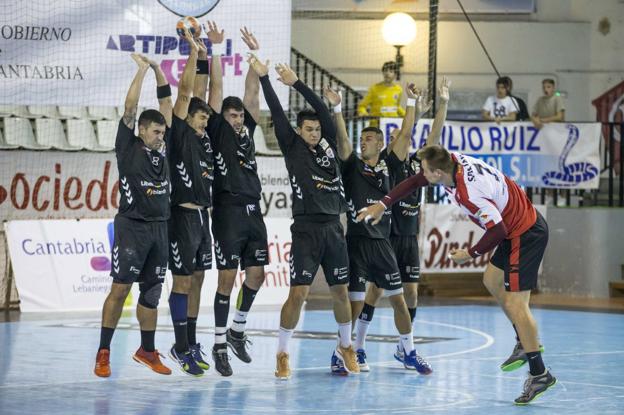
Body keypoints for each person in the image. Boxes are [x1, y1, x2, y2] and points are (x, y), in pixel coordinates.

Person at [357, 146, 556, 405]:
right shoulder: (452, 162)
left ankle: (539, 372)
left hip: (524, 233)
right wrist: (383, 204)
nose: (421, 174)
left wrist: (470, 253)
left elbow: (497, 231)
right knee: (492, 280)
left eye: (426, 171)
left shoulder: (469, 192)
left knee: (516, 304)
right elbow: (417, 180)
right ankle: (523, 340)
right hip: (515, 226)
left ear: (438, 173)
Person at [248, 55, 359, 379]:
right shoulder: (292, 145)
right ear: (299, 131)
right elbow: (279, 114)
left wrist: (298, 82)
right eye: (308, 129)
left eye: (316, 129)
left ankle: (346, 346)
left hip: (333, 228)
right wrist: (267, 79)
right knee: (299, 293)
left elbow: (324, 112)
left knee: (341, 292)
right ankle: (282, 353)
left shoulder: (327, 147)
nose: (314, 132)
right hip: (306, 231)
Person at [336, 83, 432, 373]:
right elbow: (342, 139)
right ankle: (344, 351)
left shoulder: (391, 164)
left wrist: (412, 102)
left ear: (380, 144)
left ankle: (410, 352)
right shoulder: (352, 165)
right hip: (356, 242)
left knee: (399, 301)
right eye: (362, 138)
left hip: (382, 243)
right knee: (354, 305)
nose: (363, 142)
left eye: (368, 139)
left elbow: (405, 134)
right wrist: (338, 108)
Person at [94, 53, 172, 378]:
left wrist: (159, 70)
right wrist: (142, 72)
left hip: (159, 229)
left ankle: (147, 350)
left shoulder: (162, 149)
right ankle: (103, 351)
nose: (160, 136)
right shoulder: (128, 146)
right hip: (132, 228)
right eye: (155, 131)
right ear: (141, 130)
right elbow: (130, 109)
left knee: (152, 293)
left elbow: (166, 108)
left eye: (162, 132)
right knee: (120, 289)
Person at [206, 27, 267, 376]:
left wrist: (253, 59)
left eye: (240, 115)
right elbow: (217, 90)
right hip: (227, 210)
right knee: (226, 279)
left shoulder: (248, 132)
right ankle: (218, 345)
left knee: (256, 276)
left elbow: (252, 91)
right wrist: (216, 50)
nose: (238, 119)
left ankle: (237, 331)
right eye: (233, 115)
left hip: (253, 210)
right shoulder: (218, 132)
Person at [165, 23, 222, 377]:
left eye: (204, 117)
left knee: (200, 279)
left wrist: (208, 53)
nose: (203, 119)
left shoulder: (204, 137)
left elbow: (206, 92)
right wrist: (192, 53)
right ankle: (180, 344)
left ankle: (190, 340)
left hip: (204, 218)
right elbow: (188, 91)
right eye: (199, 116)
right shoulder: (180, 133)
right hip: (182, 217)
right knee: (183, 281)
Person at [380, 77, 450, 364]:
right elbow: (406, 136)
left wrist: (443, 104)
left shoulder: (416, 166)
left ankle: (403, 345)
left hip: (409, 236)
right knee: (374, 292)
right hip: (389, 236)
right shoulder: (391, 162)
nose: (401, 137)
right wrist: (413, 110)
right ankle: (356, 344)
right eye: (395, 135)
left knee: (411, 292)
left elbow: (432, 138)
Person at [357, 61, 405, 126]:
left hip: (392, 125)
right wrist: (363, 113)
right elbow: (362, 106)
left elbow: (397, 106)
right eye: (385, 71)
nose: (387, 73)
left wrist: (406, 115)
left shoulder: (398, 89)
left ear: (395, 75)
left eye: (391, 71)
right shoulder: (374, 88)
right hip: (376, 126)